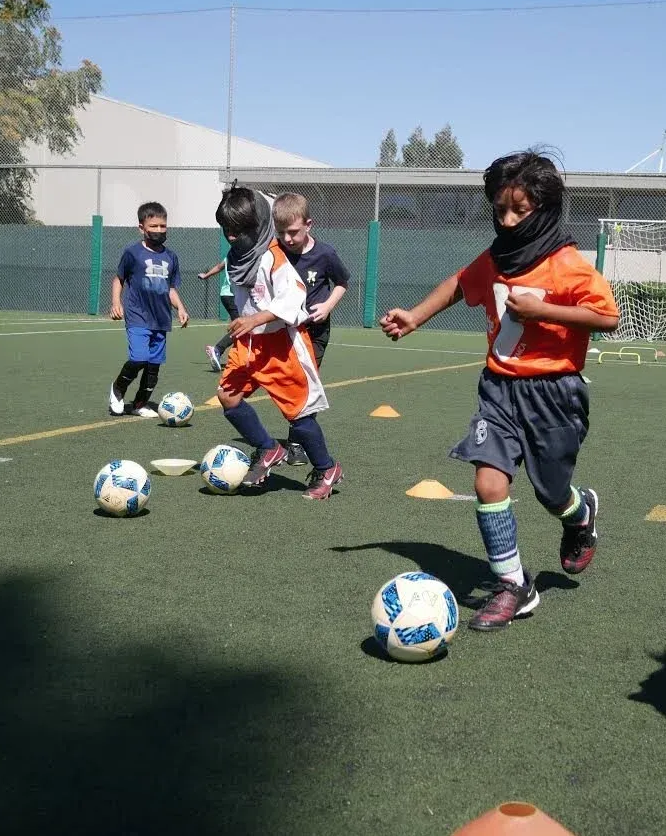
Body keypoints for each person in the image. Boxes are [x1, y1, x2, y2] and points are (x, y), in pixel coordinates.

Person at [380, 150, 619, 630]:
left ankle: (579, 513)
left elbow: (607, 317)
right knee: (488, 481)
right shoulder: (495, 257)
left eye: (520, 210)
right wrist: (415, 316)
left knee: (552, 494)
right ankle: (514, 584)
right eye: (499, 209)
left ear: (545, 209)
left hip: (555, 393)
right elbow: (459, 283)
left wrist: (543, 311)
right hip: (499, 390)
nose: (507, 220)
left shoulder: (568, 264)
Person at [213, 184, 342, 500]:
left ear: (256, 227)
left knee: (299, 416)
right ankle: (268, 448)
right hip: (249, 346)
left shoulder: (274, 257)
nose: (231, 236)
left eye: (237, 230)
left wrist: (255, 320)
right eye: (226, 229)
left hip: (281, 348)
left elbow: (294, 298)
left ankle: (326, 469)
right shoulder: (238, 256)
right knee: (227, 396)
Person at [274, 192, 351, 466]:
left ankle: (297, 443)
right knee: (285, 383)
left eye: (293, 232)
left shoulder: (325, 253)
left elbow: (342, 282)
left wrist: (328, 305)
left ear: (309, 224)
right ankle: (287, 439)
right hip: (282, 331)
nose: (288, 239)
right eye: (281, 232)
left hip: (314, 334)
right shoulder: (276, 252)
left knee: (303, 385)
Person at [108, 201, 189, 417]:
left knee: (154, 365)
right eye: (154, 226)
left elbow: (170, 288)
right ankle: (117, 390)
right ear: (141, 228)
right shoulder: (132, 253)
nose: (159, 231)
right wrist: (117, 302)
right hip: (137, 315)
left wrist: (180, 307)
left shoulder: (171, 257)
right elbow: (119, 279)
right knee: (139, 358)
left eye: (163, 226)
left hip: (161, 319)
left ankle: (139, 404)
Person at [198, 259, 239, 372]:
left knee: (241, 327)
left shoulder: (230, 255)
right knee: (241, 327)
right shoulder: (244, 253)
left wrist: (206, 275)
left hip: (226, 295)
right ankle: (217, 349)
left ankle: (241, 356)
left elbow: (219, 267)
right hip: (233, 295)